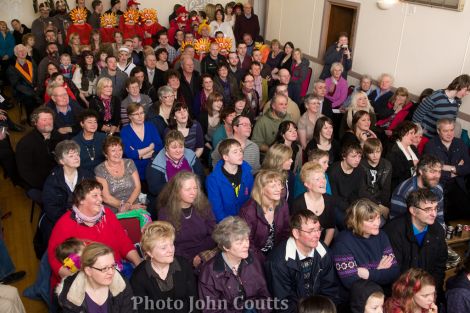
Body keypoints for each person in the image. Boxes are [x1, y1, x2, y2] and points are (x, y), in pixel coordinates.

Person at [48, 179, 141, 290]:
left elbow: (123, 241)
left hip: (115, 271)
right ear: (80, 200)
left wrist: (139, 264)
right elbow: (54, 260)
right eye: (95, 196)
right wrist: (85, 283)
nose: (100, 199)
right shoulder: (65, 224)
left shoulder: (108, 214)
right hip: (85, 281)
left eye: (100, 195)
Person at [265, 209, 339, 312]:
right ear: (296, 233)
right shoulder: (278, 262)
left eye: (318, 229)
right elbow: (283, 304)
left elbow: (330, 290)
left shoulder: (324, 252)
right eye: (311, 231)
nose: (317, 235)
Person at [384, 189, 447, 303]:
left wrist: (430, 294)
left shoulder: (437, 230)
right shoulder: (393, 232)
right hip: (401, 297)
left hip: (428, 293)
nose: (434, 213)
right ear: (413, 210)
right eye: (428, 209)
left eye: (435, 208)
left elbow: (440, 266)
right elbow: (393, 273)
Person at [198, 216, 271, 313]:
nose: (246, 245)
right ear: (225, 246)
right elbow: (212, 310)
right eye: (239, 242)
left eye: (246, 239)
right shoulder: (209, 272)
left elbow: (265, 296)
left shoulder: (253, 259)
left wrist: (257, 310)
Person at [332, 199, 399, 298]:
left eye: (378, 218)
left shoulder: (382, 235)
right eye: (371, 220)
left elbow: (394, 272)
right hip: (356, 301)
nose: (377, 223)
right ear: (356, 222)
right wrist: (379, 271)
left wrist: (368, 273)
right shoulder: (342, 243)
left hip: (381, 297)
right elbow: (351, 283)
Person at [130, 221, 199, 313]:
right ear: (149, 252)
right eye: (163, 247)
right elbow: (142, 309)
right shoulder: (139, 276)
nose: (170, 250)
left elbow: (193, 301)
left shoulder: (183, 265)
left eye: (171, 244)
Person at [40, 140, 94, 254]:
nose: (76, 158)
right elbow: (51, 208)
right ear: (61, 161)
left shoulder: (87, 175)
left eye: (77, 154)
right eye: (71, 156)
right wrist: (72, 221)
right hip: (62, 220)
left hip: (87, 218)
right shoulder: (53, 180)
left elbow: (94, 199)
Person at [56, 243, 134, 313]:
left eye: (113, 266)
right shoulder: (70, 294)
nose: (111, 272)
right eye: (104, 268)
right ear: (88, 271)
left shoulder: (121, 284)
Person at [146, 130, 205, 216]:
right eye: (174, 147)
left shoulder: (190, 155)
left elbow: (201, 177)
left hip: (192, 197)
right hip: (169, 201)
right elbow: (155, 189)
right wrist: (181, 193)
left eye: (181, 146)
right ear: (166, 147)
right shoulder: (156, 162)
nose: (178, 150)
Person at [423, 118, 470, 220]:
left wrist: (450, 168)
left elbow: (468, 168)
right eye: (445, 131)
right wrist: (456, 169)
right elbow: (431, 172)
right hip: (438, 186)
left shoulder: (460, 143)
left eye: (451, 130)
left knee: (465, 215)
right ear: (438, 131)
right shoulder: (430, 146)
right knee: (443, 216)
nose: (450, 134)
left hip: (458, 185)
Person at [239, 170, 290, 260]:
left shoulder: (283, 204)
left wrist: (280, 254)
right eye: (273, 186)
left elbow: (286, 231)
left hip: (277, 252)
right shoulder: (248, 210)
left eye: (279, 184)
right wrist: (263, 261)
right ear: (262, 189)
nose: (279, 189)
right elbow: (247, 242)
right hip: (255, 255)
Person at [413, 74, 470, 146]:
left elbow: (452, 120)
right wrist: (418, 135)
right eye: (466, 90)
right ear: (458, 86)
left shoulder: (458, 101)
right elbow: (417, 116)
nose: (467, 93)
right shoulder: (436, 97)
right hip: (425, 138)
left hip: (439, 141)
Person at [390, 155, 444, 227]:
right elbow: (395, 221)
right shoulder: (404, 190)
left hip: (430, 229)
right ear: (420, 171)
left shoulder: (438, 188)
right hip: (407, 231)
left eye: (439, 172)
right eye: (432, 171)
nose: (437, 176)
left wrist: (440, 232)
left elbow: (439, 217)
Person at [16, 107, 62, 191]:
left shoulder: (58, 136)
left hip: (59, 176)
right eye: (44, 120)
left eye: (50, 119)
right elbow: (26, 172)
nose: (48, 122)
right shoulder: (26, 144)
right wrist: (48, 186)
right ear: (35, 122)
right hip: (40, 183)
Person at [207, 139, 254, 222]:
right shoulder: (213, 180)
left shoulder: (247, 172)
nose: (240, 154)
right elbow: (217, 209)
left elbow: (252, 198)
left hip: (246, 220)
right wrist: (230, 225)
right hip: (226, 224)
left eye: (240, 150)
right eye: (235, 152)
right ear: (225, 157)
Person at [95, 136, 144, 213]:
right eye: (113, 150)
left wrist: (128, 204)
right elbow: (106, 197)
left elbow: (138, 187)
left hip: (134, 203)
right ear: (106, 153)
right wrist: (129, 207)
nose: (118, 153)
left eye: (120, 150)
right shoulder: (100, 169)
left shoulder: (129, 163)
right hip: (113, 208)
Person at [293, 162, 336, 246]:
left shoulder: (329, 200)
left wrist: (324, 247)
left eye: (323, 178)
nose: (323, 182)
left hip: (325, 244)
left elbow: (330, 228)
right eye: (317, 179)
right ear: (307, 184)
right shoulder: (298, 204)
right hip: (304, 245)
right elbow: (297, 233)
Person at [120, 103, 163, 180]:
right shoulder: (125, 131)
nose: (140, 116)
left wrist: (140, 155)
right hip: (135, 171)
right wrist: (150, 147)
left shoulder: (150, 126)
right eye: (136, 114)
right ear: (130, 116)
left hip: (154, 167)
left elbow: (159, 145)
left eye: (142, 113)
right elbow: (130, 154)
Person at [328, 142, 365, 229]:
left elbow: (357, 193)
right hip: (335, 205)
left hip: (352, 204)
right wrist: (349, 210)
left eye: (359, 156)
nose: (357, 160)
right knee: (349, 224)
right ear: (344, 156)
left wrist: (354, 209)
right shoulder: (333, 171)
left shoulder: (360, 170)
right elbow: (333, 197)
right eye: (353, 156)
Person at [8, 44, 39, 122]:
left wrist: (38, 86)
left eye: (24, 50)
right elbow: (17, 85)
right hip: (22, 91)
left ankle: (42, 116)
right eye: (19, 51)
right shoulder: (12, 68)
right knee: (29, 100)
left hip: (35, 87)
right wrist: (32, 92)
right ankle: (31, 119)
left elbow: (37, 76)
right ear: (15, 54)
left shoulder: (31, 62)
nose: (22, 52)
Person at [385, 121, 419, 192]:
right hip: (400, 188)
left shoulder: (413, 148)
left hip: (415, 185)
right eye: (411, 133)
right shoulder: (393, 150)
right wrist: (411, 163)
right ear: (402, 133)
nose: (414, 136)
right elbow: (393, 172)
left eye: (414, 133)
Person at [359, 138, 392, 208]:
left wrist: (384, 206)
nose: (375, 155)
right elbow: (362, 191)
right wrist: (378, 206)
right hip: (364, 202)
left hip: (382, 202)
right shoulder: (360, 165)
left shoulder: (387, 165)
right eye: (371, 152)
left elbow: (386, 190)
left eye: (378, 152)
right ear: (366, 153)